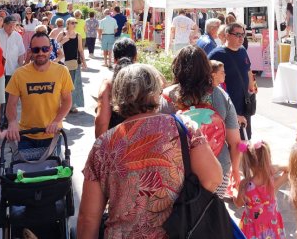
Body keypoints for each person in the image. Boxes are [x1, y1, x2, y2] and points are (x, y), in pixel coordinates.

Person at [78, 64, 223, 238]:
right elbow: (213, 178)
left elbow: (88, 218)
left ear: (118, 96)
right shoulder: (183, 127)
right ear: (156, 93)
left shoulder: (103, 145)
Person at [163, 45, 243, 197]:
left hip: (178, 171)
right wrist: (236, 171)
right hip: (217, 168)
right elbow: (235, 142)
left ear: (177, 67)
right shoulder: (220, 95)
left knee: (180, 217)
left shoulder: (166, 96)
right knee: (211, 214)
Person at [5, 32, 74, 152]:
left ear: (50, 49)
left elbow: (67, 101)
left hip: (52, 134)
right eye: (36, 50)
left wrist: (56, 121)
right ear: (31, 51)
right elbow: (11, 104)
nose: (41, 53)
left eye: (45, 49)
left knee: (52, 170)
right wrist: (12, 122)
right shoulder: (19, 74)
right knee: (24, 170)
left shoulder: (62, 71)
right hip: (26, 135)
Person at [208, 22, 256, 141]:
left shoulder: (242, 51)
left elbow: (248, 70)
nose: (241, 38)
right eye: (237, 35)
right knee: (232, 142)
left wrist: (252, 86)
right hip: (227, 104)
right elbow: (208, 79)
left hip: (243, 102)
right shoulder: (217, 54)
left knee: (245, 138)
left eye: (243, 35)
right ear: (227, 35)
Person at [234, 140, 288, 239]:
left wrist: (235, 196)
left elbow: (238, 204)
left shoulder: (244, 184)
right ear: (268, 159)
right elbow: (291, 170)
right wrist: (279, 167)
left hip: (251, 228)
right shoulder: (273, 183)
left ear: (248, 162)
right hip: (272, 227)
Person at [94, 38, 138, 138]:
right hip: (145, 142)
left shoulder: (108, 84)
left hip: (117, 142)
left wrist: (100, 148)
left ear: (114, 59)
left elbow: (102, 122)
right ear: (136, 57)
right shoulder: (149, 79)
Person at [0, 16, 26, 128]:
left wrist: (21, 67)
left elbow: (21, 53)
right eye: (10, 25)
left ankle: (7, 121)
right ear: (5, 24)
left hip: (12, 70)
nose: (12, 27)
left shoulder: (17, 36)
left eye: (14, 25)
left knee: (9, 98)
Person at [57, 17, 86, 113]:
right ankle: (62, 104)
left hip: (74, 63)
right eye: (72, 23)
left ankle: (72, 105)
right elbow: (55, 46)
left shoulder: (78, 35)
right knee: (62, 85)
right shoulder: (62, 34)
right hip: (62, 63)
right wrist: (63, 41)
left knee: (73, 85)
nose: (74, 24)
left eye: (75, 23)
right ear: (68, 24)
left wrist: (84, 62)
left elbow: (80, 50)